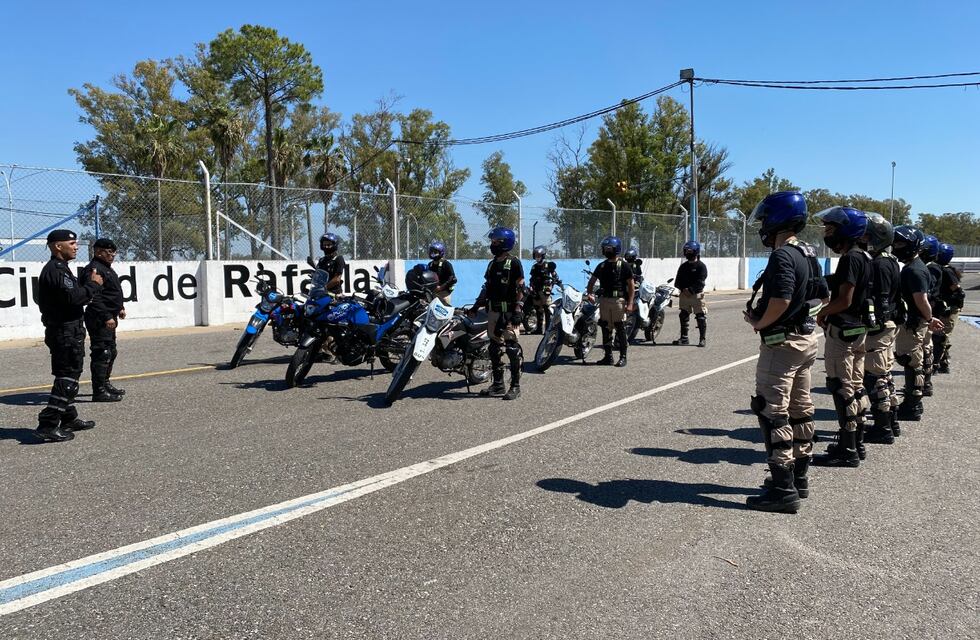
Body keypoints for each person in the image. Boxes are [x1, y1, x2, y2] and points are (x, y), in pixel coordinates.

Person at [743, 192, 827, 513]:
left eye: (766, 219)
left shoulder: (782, 257)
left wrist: (760, 322)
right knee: (800, 407)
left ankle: (782, 489)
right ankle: (799, 478)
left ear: (779, 219)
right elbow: (820, 295)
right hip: (806, 339)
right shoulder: (808, 252)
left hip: (783, 343)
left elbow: (780, 300)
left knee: (772, 411)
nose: (763, 224)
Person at [812, 207, 872, 467]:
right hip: (859, 330)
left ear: (846, 230)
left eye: (831, 228)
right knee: (856, 386)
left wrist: (823, 312)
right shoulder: (865, 257)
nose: (827, 233)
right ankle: (856, 441)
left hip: (844, 331)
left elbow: (845, 300)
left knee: (841, 387)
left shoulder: (850, 259)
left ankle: (847, 449)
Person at [35, 230, 104, 442]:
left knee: (68, 375)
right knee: (68, 377)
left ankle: (68, 417)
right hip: (64, 331)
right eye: (72, 243)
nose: (76, 247)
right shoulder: (55, 270)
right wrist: (93, 285)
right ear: (58, 246)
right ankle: (48, 424)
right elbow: (73, 298)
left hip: (67, 329)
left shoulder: (61, 269)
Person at [892, 226, 944, 422]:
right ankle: (914, 400)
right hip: (916, 321)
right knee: (914, 361)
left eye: (900, 243)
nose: (896, 247)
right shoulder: (915, 266)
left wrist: (929, 319)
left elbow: (921, 299)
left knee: (911, 361)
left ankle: (912, 404)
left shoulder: (915, 270)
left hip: (914, 322)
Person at [860, 214, 902, 445]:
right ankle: (891, 421)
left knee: (875, 377)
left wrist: (873, 325)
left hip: (880, 327)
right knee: (884, 375)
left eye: (866, 235)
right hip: (887, 326)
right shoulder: (890, 260)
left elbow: (881, 299)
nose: (862, 238)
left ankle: (883, 426)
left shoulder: (879, 263)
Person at [470, 227, 525, 400]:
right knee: (494, 348)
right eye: (492, 241)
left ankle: (515, 386)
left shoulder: (514, 263)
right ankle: (498, 384)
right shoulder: (492, 263)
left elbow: (521, 287)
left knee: (511, 348)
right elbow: (486, 287)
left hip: (508, 312)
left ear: (504, 243)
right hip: (493, 311)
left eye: (495, 242)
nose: (492, 245)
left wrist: (517, 310)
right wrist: (475, 306)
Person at [81, 238, 126, 402]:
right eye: (109, 252)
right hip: (99, 317)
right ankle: (98, 390)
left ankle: (105, 384)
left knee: (111, 351)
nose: (112, 255)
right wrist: (106, 315)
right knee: (102, 353)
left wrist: (119, 307)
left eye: (114, 252)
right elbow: (94, 297)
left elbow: (111, 292)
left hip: (109, 316)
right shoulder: (94, 270)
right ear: (98, 251)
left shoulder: (106, 268)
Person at [586, 236, 635, 367]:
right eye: (605, 248)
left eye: (609, 248)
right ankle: (608, 357)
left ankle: (623, 357)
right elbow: (591, 281)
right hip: (604, 300)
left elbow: (631, 285)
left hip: (618, 301)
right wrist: (589, 294)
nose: (606, 250)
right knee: (605, 327)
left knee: (620, 328)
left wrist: (630, 304)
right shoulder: (602, 266)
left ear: (616, 249)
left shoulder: (624, 265)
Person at [934, 242, 964, 374]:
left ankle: (936, 363)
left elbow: (955, 288)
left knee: (941, 336)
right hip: (945, 307)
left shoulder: (946, 270)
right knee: (941, 335)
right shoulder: (940, 268)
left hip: (949, 309)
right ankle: (943, 361)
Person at [672, 241, 708, 347]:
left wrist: (691, 290)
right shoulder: (683, 267)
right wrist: (683, 289)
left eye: (690, 251)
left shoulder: (701, 266)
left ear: (696, 252)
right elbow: (677, 281)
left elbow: (701, 281)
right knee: (683, 315)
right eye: (686, 251)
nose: (687, 253)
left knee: (700, 316)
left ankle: (702, 339)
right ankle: (684, 338)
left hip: (697, 295)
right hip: (684, 295)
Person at [920, 235, 942, 397]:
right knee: (925, 347)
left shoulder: (932, 268)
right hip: (929, 309)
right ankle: (924, 383)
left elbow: (927, 292)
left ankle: (925, 383)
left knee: (925, 347)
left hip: (929, 309)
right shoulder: (929, 266)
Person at [528, 245, 558, 334]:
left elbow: (555, 276)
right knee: (538, 309)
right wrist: (531, 287)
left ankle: (548, 330)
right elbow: (532, 278)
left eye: (539, 255)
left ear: (543, 256)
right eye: (535, 255)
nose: (537, 257)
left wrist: (551, 286)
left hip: (545, 291)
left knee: (547, 309)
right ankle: (539, 329)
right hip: (536, 290)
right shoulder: (534, 267)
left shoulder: (548, 265)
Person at [426, 241, 457, 305]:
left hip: (444, 294)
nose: (433, 254)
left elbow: (453, 279)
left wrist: (441, 287)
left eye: (435, 252)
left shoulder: (446, 264)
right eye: (431, 252)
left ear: (441, 253)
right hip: (433, 294)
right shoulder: (430, 265)